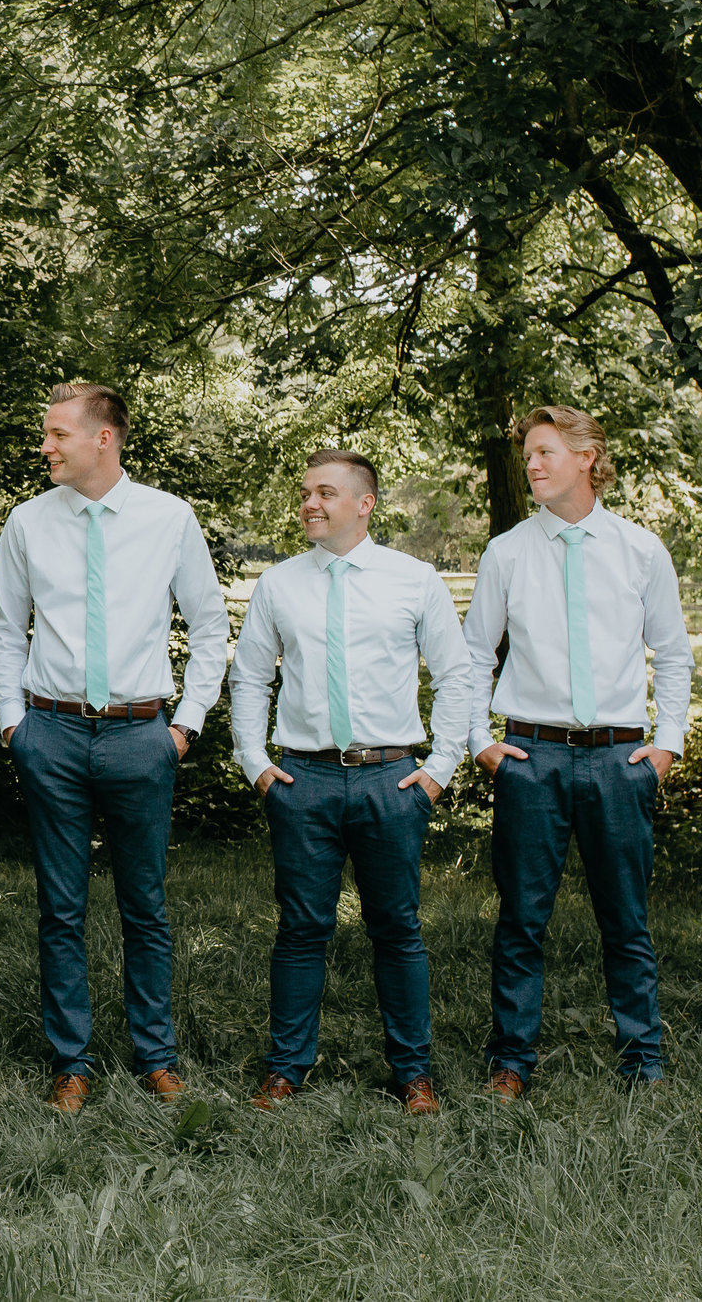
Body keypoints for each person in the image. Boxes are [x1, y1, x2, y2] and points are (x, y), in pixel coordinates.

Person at [0, 382, 228, 1111]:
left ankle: (155, 1054)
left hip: (140, 733)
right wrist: (12, 721)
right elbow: (4, 627)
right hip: (51, 733)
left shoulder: (168, 517)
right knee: (60, 907)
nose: (44, 445)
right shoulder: (27, 522)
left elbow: (210, 626)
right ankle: (72, 1062)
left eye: (58, 433)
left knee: (144, 904)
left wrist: (185, 725)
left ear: (104, 438)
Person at [230, 449, 478, 1115]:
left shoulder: (413, 579)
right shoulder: (279, 584)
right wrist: (254, 761)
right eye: (305, 491)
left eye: (326, 492)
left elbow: (456, 674)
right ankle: (285, 1068)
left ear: (364, 503)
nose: (310, 502)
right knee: (301, 927)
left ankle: (413, 1072)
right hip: (302, 779)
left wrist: (440, 769)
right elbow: (250, 676)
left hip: (391, 780)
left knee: (397, 926)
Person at [462, 405, 693, 1096]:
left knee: (626, 918)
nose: (532, 464)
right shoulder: (507, 551)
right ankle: (511, 1061)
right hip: (532, 758)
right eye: (528, 454)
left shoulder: (641, 550)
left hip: (620, 761)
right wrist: (481, 740)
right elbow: (474, 654)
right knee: (521, 918)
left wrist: (668, 745)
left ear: (589, 456)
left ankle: (642, 1059)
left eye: (546, 451)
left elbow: (674, 654)